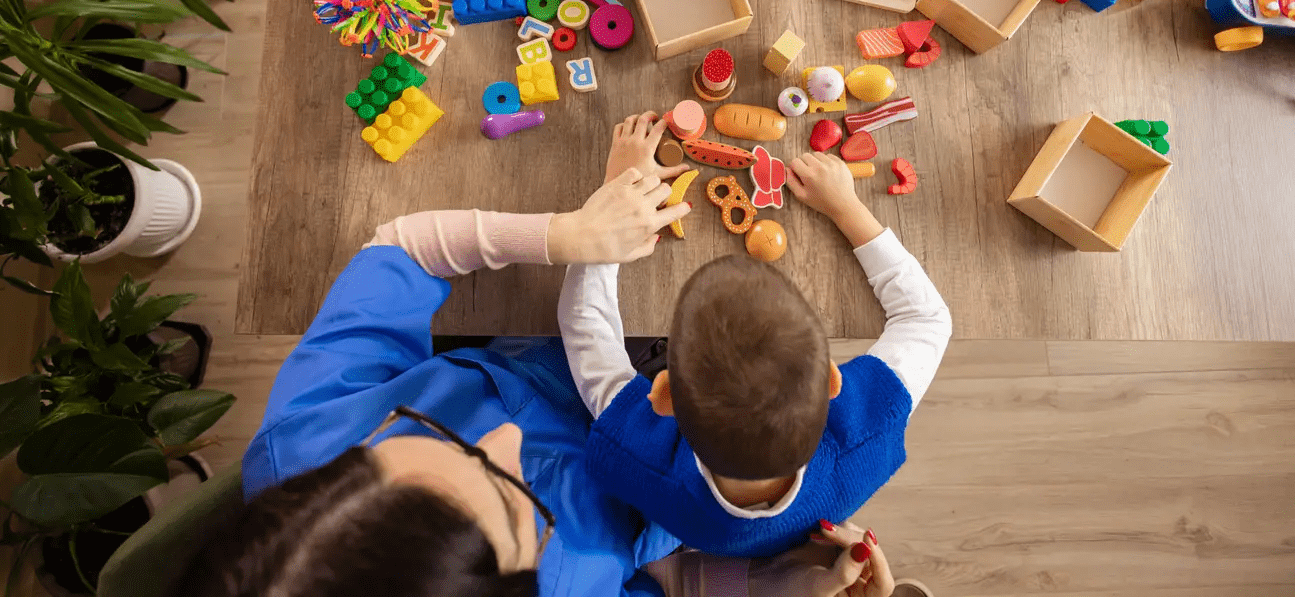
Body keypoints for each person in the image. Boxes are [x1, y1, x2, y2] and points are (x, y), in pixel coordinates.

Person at [177, 127, 899, 597]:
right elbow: (676, 580)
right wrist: (783, 587)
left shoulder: (306, 437)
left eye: (416, 435)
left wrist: (570, 233)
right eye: (510, 498)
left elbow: (400, 246)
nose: (505, 438)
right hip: (654, 496)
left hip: (551, 362)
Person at [560, 113, 952, 558]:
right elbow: (927, 319)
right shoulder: (870, 434)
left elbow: (585, 323)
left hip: (694, 525)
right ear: (831, 381)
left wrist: (617, 194)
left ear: (664, 394)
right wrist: (846, 207)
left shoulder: (634, 457)